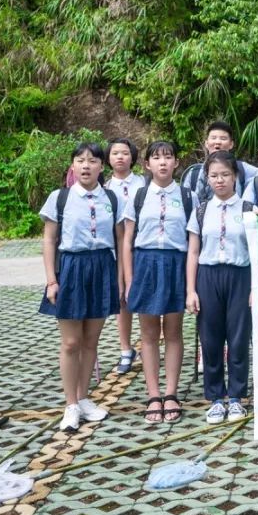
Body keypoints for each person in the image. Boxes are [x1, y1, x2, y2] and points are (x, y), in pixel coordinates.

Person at [39, 142, 123, 431]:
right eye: (80, 160)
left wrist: (121, 280)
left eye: (92, 161)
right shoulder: (59, 198)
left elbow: (121, 241)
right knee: (71, 342)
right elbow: (49, 240)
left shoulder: (111, 198)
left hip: (102, 268)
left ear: (102, 166)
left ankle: (85, 398)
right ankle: (70, 404)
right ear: (72, 166)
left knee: (91, 341)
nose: (86, 165)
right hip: (71, 269)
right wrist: (52, 279)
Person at [186, 151, 258, 424]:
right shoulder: (202, 209)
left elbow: (256, 253)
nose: (220, 180)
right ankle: (216, 398)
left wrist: (255, 287)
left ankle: (237, 397)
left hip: (240, 277)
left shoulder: (249, 210)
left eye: (225, 175)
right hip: (208, 277)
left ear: (236, 176)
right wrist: (191, 290)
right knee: (211, 338)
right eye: (214, 176)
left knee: (239, 338)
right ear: (207, 178)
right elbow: (193, 252)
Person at [121, 141, 193, 424]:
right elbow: (127, 241)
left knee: (174, 332)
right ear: (147, 165)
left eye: (168, 157)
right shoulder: (138, 196)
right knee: (149, 334)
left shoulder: (188, 196)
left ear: (176, 163)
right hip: (145, 265)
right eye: (156, 158)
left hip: (176, 263)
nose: (162, 162)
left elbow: (193, 241)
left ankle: (172, 393)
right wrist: (129, 279)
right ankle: (153, 395)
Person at [104, 137, 145, 374]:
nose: (120, 157)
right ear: (108, 159)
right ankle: (125, 349)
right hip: (116, 248)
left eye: (125, 153)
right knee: (122, 299)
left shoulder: (144, 183)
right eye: (115, 153)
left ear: (133, 157)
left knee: (145, 297)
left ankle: (148, 345)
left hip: (143, 246)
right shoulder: (105, 188)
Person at [180, 121, 258, 204]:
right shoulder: (194, 173)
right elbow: (185, 202)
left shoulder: (242, 168)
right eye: (213, 138)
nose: (217, 142)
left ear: (231, 144)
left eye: (223, 138)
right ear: (206, 143)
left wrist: (247, 203)